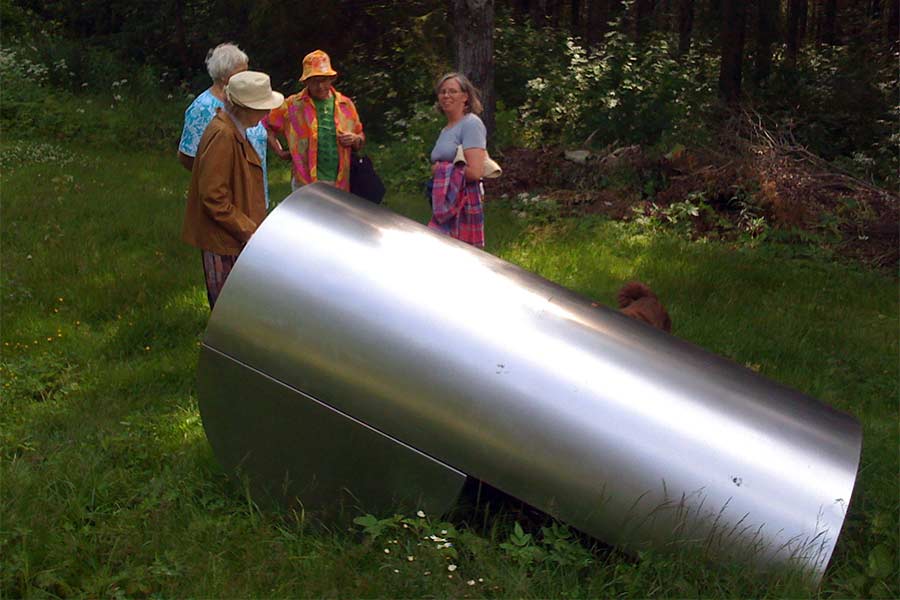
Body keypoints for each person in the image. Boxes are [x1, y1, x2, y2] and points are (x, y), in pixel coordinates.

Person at [181, 71, 284, 309]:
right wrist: (248, 230)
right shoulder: (223, 135)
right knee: (229, 311)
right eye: (263, 107)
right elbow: (213, 197)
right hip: (224, 241)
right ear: (244, 108)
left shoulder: (233, 128)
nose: (267, 113)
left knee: (241, 308)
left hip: (231, 237)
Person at [178, 43, 275, 207]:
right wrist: (221, 180)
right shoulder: (202, 108)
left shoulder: (249, 101)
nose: (247, 76)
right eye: (241, 72)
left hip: (255, 193)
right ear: (225, 76)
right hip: (228, 200)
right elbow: (187, 156)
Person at [263, 49, 364, 192]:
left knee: (334, 215)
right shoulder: (293, 105)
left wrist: (355, 140)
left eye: (324, 80)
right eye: (314, 81)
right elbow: (265, 124)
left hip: (340, 182)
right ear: (306, 82)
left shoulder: (346, 105)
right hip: (304, 183)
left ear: (331, 79)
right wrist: (279, 151)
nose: (320, 86)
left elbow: (360, 137)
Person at [428, 72, 488, 248]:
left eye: (453, 91)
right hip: (445, 202)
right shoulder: (446, 129)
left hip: (463, 203)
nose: (446, 96)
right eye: (442, 92)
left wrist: (439, 170)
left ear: (465, 96)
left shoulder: (471, 124)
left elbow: (475, 172)